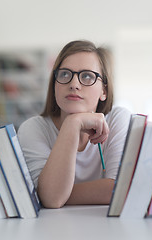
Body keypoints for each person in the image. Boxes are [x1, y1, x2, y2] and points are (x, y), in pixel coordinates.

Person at [18, 40, 131, 209]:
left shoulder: (117, 119)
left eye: (87, 76)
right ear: (54, 84)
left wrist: (52, 193)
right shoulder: (33, 129)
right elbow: (52, 200)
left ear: (104, 91)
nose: (74, 84)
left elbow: (118, 190)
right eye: (64, 74)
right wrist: (73, 123)